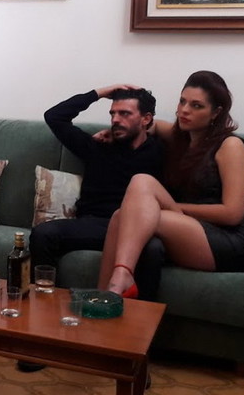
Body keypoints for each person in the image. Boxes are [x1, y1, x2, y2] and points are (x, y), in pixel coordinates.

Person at [99, 71, 244, 298]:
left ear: (216, 112)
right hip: (188, 226)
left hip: (226, 239)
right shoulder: (179, 137)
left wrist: (164, 207)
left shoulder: (230, 145)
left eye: (196, 106)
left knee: (140, 188)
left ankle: (119, 280)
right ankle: (105, 294)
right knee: (120, 215)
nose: (184, 110)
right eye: (182, 101)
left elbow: (233, 213)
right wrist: (115, 132)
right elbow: (153, 126)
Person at [30, 85, 167, 301]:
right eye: (113, 113)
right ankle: (44, 306)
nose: (115, 120)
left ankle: (141, 318)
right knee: (43, 234)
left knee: (154, 248)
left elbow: (186, 132)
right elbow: (54, 117)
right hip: (92, 225)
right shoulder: (97, 146)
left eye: (125, 113)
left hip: (132, 227)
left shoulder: (160, 152)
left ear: (146, 119)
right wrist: (99, 93)